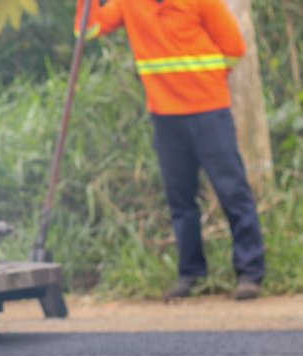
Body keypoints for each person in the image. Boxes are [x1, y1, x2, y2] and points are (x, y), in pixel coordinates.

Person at [77, 0, 266, 301]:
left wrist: (206, 80)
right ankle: (191, 273)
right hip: (165, 114)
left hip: (209, 111)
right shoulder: (129, 3)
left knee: (232, 191)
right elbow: (90, 31)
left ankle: (250, 272)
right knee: (180, 199)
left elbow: (234, 48)